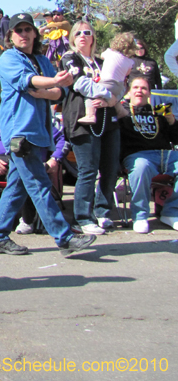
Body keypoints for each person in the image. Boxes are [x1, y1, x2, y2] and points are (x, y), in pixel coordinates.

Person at [0, 13, 95, 256]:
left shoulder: (42, 60)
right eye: (18, 30)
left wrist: (48, 89)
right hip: (20, 133)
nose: (24, 34)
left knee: (17, 186)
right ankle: (64, 238)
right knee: (39, 184)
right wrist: (51, 84)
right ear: (11, 36)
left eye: (28, 29)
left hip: (39, 132)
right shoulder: (7, 59)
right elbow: (28, 81)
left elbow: (61, 93)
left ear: (35, 33)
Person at [60, 21, 122, 235]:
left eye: (88, 32)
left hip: (108, 119)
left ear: (94, 37)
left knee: (110, 167)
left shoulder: (102, 62)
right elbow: (79, 84)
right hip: (82, 120)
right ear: (73, 37)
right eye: (78, 33)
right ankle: (83, 218)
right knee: (88, 169)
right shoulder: (69, 58)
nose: (83, 36)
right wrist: (107, 95)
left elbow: (118, 84)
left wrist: (114, 99)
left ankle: (102, 212)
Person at [0, 117, 66, 232]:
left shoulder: (39, 119)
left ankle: (27, 219)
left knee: (23, 172)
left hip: (28, 158)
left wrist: (54, 159)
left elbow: (62, 140)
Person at [118, 76, 178, 233]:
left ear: (149, 94)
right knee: (141, 167)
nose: (140, 91)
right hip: (138, 156)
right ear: (128, 92)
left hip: (166, 155)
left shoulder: (158, 111)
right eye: (136, 88)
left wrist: (172, 121)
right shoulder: (122, 112)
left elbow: (175, 138)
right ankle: (140, 215)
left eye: (144, 88)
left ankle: (171, 212)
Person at [76, 32, 136, 124]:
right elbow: (128, 72)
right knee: (114, 98)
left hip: (107, 82)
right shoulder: (129, 61)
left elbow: (102, 56)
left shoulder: (109, 52)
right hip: (120, 85)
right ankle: (121, 111)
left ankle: (90, 115)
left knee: (90, 94)